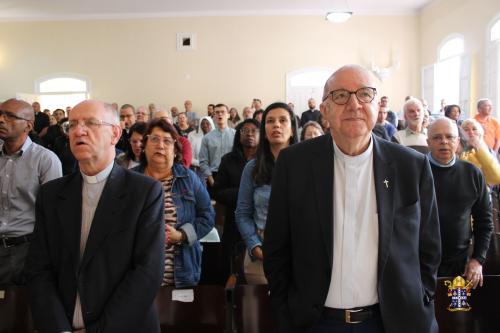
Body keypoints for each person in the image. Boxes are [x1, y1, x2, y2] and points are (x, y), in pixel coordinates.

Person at [263, 65, 441, 333]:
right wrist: (284, 310)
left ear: (376, 103)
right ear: (324, 110)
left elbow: (430, 247)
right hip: (316, 322)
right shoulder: (294, 164)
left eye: (364, 94)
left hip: (392, 321)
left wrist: (422, 298)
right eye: (341, 95)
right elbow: (276, 246)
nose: (354, 104)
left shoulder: (411, 166)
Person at [25, 100, 165, 332]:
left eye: (91, 123)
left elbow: (147, 272)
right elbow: (39, 269)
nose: (78, 131)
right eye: (72, 125)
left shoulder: (144, 192)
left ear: (115, 134)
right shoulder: (52, 194)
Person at [133, 119, 214, 287]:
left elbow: (207, 217)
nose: (160, 145)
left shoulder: (189, 178)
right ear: (145, 145)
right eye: (154, 139)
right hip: (138, 274)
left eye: (167, 141)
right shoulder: (130, 180)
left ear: (176, 150)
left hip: (181, 273)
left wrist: (182, 235)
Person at [0, 98, 62, 286]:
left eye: (10, 116)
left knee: (21, 309)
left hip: (25, 248)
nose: (1, 120)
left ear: (28, 125)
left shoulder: (45, 160)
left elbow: (54, 213)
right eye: (0, 114)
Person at [235, 102, 298, 285]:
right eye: (270, 121)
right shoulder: (253, 168)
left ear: (292, 129)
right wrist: (254, 246)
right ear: (264, 130)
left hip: (298, 249)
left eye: (282, 120)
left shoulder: (304, 166)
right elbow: (242, 213)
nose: (276, 125)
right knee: (261, 310)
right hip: (262, 248)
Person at [427, 118, 493, 286]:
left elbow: (484, 222)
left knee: (455, 310)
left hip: (459, 266)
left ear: (458, 141)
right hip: (419, 264)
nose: (444, 142)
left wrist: (478, 259)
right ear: (428, 142)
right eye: (437, 137)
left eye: (450, 137)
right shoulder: (415, 171)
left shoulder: (472, 174)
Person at [213, 119, 260, 283]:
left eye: (254, 130)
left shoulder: (265, 161)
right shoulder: (228, 160)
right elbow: (217, 191)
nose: (249, 134)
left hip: (260, 224)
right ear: (238, 135)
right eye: (244, 131)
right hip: (234, 222)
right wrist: (245, 195)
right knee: (232, 270)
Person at [199, 103, 235, 192]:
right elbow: (203, 161)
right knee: (214, 204)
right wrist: (211, 180)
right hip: (214, 176)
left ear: (228, 115)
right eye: (217, 112)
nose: (220, 114)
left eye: (223, 112)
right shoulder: (207, 138)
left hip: (233, 175)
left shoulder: (236, 135)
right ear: (213, 116)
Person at [460, 118, 500, 186]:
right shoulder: (459, 151)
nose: (471, 132)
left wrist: (479, 148)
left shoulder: (488, 151)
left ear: (480, 132)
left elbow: (496, 177)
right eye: (466, 130)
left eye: (474, 129)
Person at [188, 116, 215, 180]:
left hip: (214, 171)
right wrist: (203, 165)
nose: (205, 125)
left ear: (211, 125)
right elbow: (191, 158)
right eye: (202, 124)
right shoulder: (195, 139)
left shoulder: (216, 138)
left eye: (207, 123)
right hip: (199, 171)